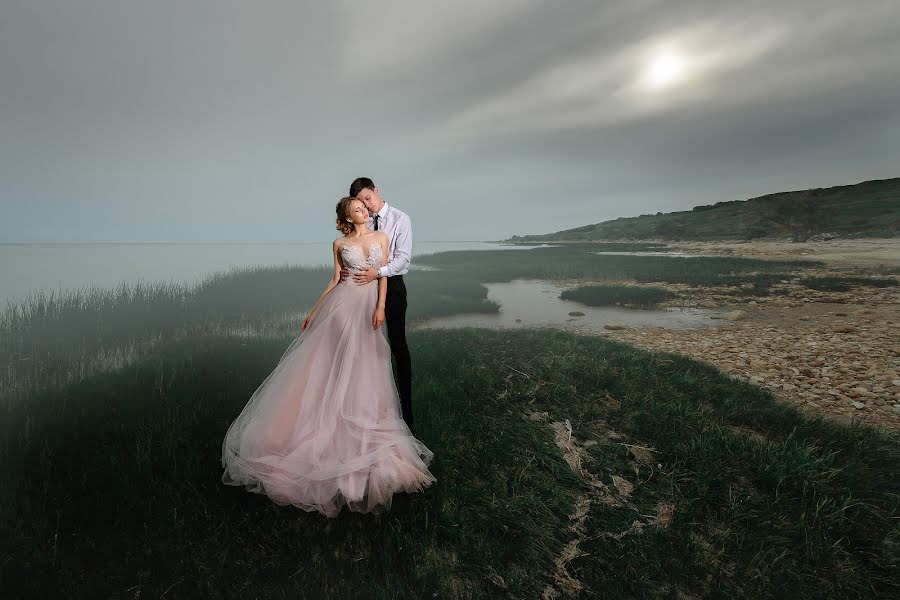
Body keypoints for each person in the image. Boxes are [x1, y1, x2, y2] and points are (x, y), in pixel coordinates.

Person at [220, 196, 435, 518]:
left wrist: (379, 307)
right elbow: (334, 280)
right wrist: (313, 310)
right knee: (331, 362)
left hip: (366, 306)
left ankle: (359, 421)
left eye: (364, 208)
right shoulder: (339, 243)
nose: (362, 212)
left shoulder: (380, 237)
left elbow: (384, 275)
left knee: (366, 364)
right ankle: (322, 422)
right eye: (356, 210)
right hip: (341, 305)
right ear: (346, 218)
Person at [343, 177, 414, 432]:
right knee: (364, 350)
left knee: (398, 347)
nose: (366, 206)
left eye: (368, 199)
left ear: (376, 191)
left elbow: (403, 261)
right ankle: (365, 409)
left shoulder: (400, 219)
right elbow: (351, 249)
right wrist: (346, 272)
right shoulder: (362, 220)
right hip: (361, 291)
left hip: (392, 288)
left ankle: (407, 415)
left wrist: (378, 272)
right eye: (361, 203)